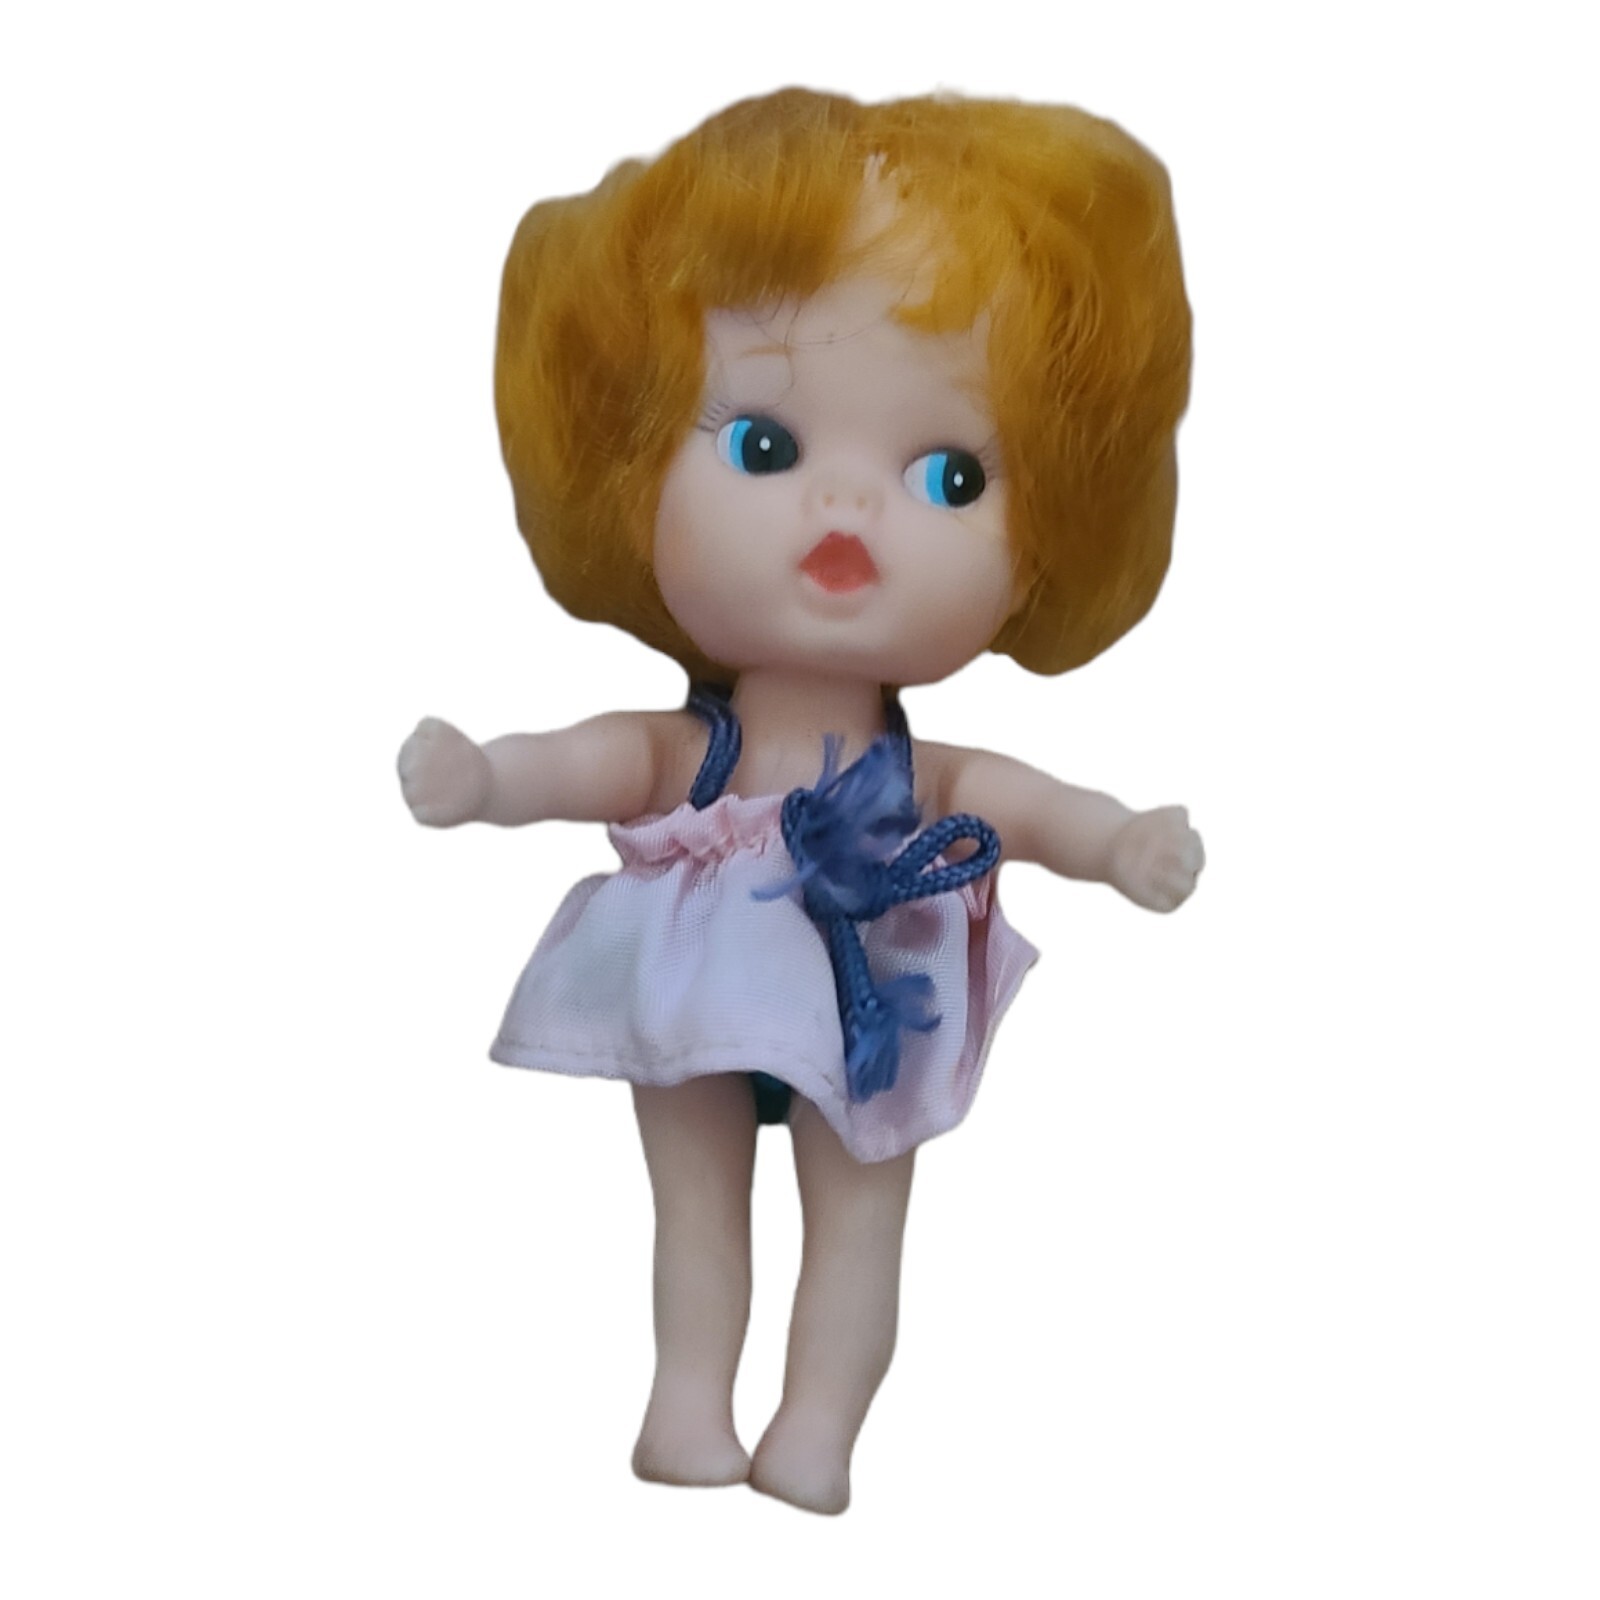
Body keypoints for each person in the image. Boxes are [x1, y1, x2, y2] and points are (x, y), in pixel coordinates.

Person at [398, 89, 1204, 1515]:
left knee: (861, 1212)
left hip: (878, 977)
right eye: (763, 449)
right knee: (694, 1200)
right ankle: (687, 1397)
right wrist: (489, 779)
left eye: (951, 474)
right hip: (702, 982)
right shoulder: (700, 747)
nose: (847, 513)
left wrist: (1115, 838)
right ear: (623, 457)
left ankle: (819, 1424)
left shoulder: (916, 777)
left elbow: (1013, 800)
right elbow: (601, 759)